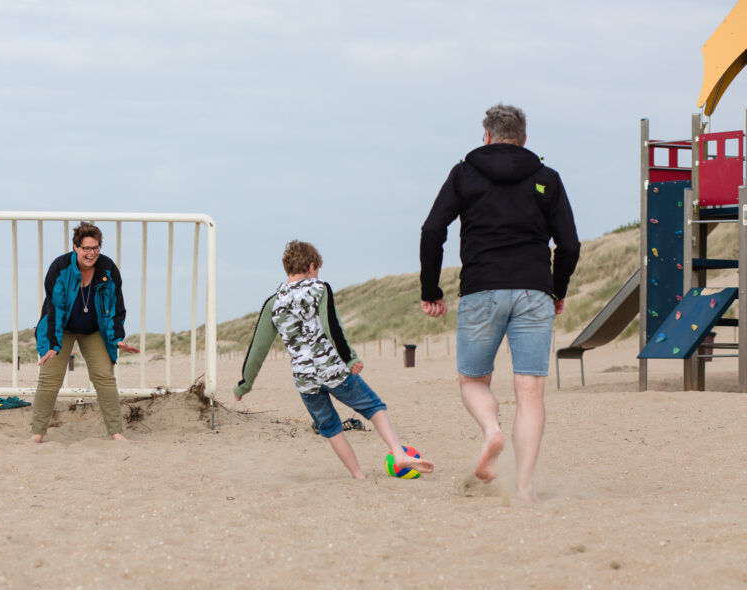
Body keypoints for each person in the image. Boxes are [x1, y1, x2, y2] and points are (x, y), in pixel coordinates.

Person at [419, 104, 580, 502]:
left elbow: (432, 230)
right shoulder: (547, 178)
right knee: (530, 394)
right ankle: (524, 489)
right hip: (533, 291)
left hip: (481, 289)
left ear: (486, 136)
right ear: (524, 139)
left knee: (473, 381)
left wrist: (430, 289)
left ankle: (492, 431)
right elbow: (570, 245)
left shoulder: (464, 174)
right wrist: (556, 290)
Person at [234, 240, 434, 480]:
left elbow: (258, 348)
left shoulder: (273, 303)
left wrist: (244, 384)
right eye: (317, 269)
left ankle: (359, 475)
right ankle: (398, 452)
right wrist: (350, 359)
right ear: (311, 266)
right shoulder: (319, 288)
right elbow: (333, 327)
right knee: (373, 407)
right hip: (332, 370)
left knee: (331, 428)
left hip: (305, 380)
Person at [32, 222, 140, 443]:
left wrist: (117, 338)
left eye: (96, 248)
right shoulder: (60, 268)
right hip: (62, 329)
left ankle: (116, 432)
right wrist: (52, 344)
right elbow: (55, 309)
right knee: (50, 379)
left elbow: (116, 307)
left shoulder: (108, 269)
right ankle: (37, 433)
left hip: (94, 330)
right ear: (76, 247)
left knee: (104, 377)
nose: (91, 253)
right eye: (86, 248)